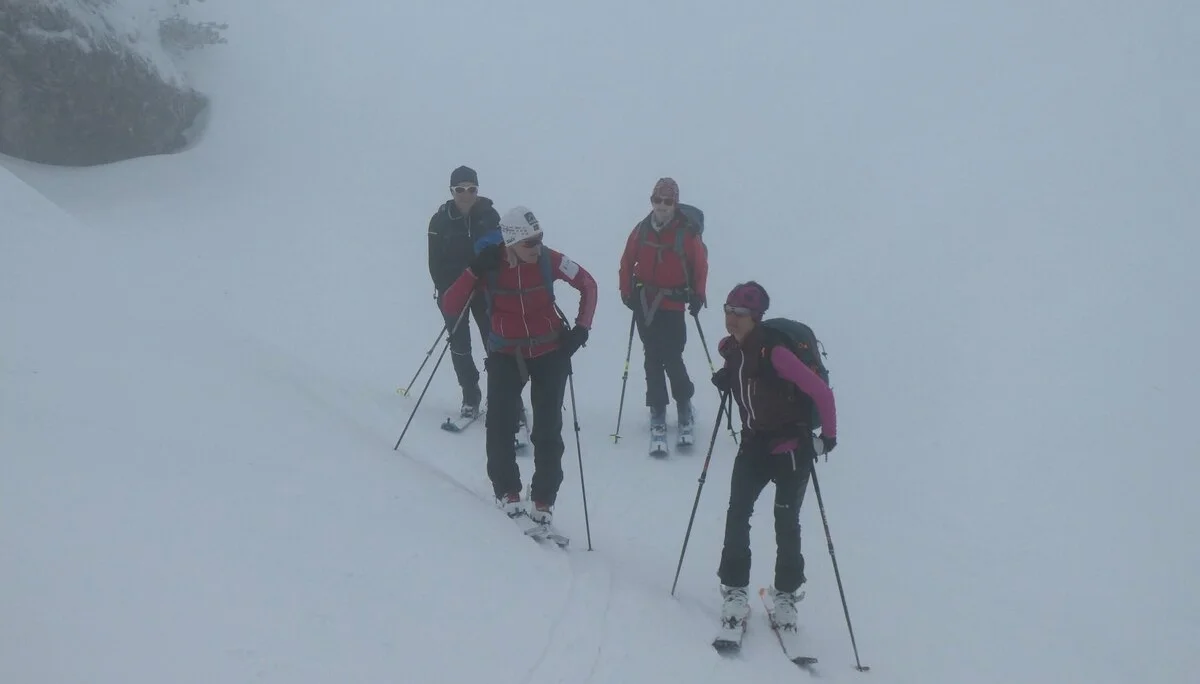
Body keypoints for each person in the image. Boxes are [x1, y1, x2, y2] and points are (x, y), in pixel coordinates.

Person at [440, 205, 597, 526]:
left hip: (550, 351)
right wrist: (473, 271)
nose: (537, 247)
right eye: (530, 242)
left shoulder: (547, 260)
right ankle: (507, 491)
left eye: (540, 239)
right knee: (500, 425)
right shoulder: (490, 267)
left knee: (548, 428)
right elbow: (450, 305)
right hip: (505, 354)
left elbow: (588, 284)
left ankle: (543, 499)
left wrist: (581, 329)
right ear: (510, 241)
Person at [709, 281, 838, 635]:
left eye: (741, 314)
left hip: (790, 448)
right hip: (753, 445)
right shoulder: (731, 350)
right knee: (737, 514)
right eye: (729, 311)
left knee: (786, 522)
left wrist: (828, 438)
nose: (732, 319)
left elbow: (821, 393)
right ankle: (735, 590)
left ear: (756, 317)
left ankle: (785, 595)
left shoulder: (776, 353)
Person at [617, 177, 709, 438]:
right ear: (652, 201)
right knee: (652, 357)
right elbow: (626, 262)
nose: (662, 206)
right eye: (657, 200)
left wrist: (698, 296)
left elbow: (700, 265)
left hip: (674, 303)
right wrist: (627, 293)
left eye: (668, 201)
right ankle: (658, 408)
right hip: (646, 303)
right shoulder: (641, 230)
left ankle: (683, 405)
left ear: (675, 203)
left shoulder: (686, 232)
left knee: (672, 355)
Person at [427, 165, 500, 417]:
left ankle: (501, 395)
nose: (466, 194)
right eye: (460, 189)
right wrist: (448, 289)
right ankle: (470, 395)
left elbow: (501, 254)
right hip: (453, 292)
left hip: (484, 290)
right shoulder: (440, 221)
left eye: (471, 189)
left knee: (495, 344)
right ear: (452, 190)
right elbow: (434, 262)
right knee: (460, 346)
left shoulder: (490, 216)